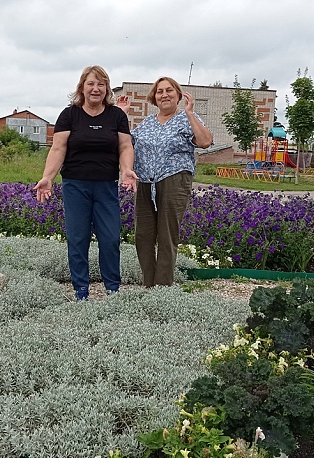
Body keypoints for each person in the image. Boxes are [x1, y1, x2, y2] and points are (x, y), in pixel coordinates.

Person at [34, 65, 138, 301]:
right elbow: (58, 147)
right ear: (82, 87)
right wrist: (48, 177)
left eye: (101, 84)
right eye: (91, 83)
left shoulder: (117, 116)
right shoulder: (69, 115)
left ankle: (112, 289)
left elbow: (124, 146)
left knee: (110, 238)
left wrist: (127, 170)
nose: (96, 89)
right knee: (78, 239)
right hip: (75, 185)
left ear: (107, 89)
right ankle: (81, 289)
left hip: (106, 186)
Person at [119, 77, 213, 287]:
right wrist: (122, 115)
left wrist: (190, 114)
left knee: (166, 234)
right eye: (159, 91)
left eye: (169, 90)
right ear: (154, 97)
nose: (164, 95)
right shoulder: (147, 123)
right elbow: (126, 143)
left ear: (178, 95)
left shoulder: (186, 118)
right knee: (143, 234)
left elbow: (205, 141)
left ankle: (163, 287)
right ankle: (149, 283)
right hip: (145, 182)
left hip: (174, 180)